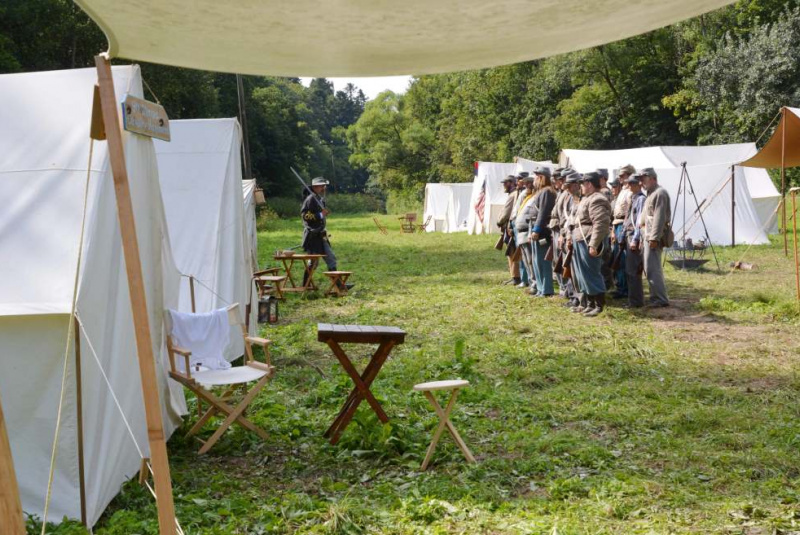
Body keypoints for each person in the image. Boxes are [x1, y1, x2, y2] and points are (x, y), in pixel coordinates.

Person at [571, 172, 612, 317]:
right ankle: (590, 303)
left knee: (592, 273)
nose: (581, 186)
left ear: (589, 184)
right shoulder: (586, 199)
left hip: (588, 238)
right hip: (580, 238)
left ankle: (599, 305)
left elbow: (601, 223)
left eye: (582, 183)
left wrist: (594, 244)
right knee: (583, 274)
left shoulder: (597, 199)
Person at [301, 177, 350, 288]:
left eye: (324, 186)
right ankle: (306, 285)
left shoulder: (319, 198)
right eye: (321, 186)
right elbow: (305, 216)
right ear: (314, 187)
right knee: (313, 262)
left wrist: (322, 214)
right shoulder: (310, 199)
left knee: (331, 258)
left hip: (321, 236)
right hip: (313, 236)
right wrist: (321, 215)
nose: (323, 188)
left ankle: (339, 285)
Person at [639, 167, 671, 307]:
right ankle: (655, 297)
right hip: (648, 235)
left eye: (644, 179)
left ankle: (660, 299)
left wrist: (654, 238)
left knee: (653, 268)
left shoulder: (660, 193)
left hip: (653, 237)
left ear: (653, 178)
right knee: (649, 267)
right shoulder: (651, 193)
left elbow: (659, 217)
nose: (642, 182)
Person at [528, 167, 557, 297]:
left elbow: (543, 212)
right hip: (535, 226)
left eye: (537, 176)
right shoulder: (541, 192)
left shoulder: (547, 192)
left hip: (542, 230)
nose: (535, 179)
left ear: (542, 177)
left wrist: (536, 229)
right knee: (536, 260)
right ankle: (540, 288)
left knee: (543, 260)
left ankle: (546, 289)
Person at [623, 173, 647, 308]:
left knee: (633, 270)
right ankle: (633, 299)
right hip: (628, 234)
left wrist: (635, 239)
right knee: (629, 270)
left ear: (638, 184)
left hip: (633, 236)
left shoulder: (641, 199)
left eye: (632, 183)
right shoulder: (633, 197)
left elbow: (639, 221)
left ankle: (636, 301)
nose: (629, 186)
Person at [609, 167, 633, 299]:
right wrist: (614, 230)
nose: (620, 178)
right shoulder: (623, 190)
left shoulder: (630, 191)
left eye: (623, 176)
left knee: (623, 259)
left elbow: (628, 213)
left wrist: (622, 230)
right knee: (617, 258)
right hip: (617, 224)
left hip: (623, 225)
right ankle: (620, 287)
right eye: (620, 176)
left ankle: (625, 289)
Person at [514, 175, 537, 293]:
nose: (526, 186)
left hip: (527, 231)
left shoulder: (534, 197)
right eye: (526, 184)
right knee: (526, 259)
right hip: (521, 231)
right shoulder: (527, 197)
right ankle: (531, 281)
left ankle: (534, 283)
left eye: (529, 183)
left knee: (530, 260)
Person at [497, 175, 520, 285]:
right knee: (510, 252)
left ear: (511, 183)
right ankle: (514, 275)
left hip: (510, 226)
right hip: (509, 226)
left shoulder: (513, 195)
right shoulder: (513, 194)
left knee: (512, 252)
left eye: (506, 183)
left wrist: (500, 221)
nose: (504, 185)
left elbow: (506, 212)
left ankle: (516, 276)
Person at [511, 173, 531, 288]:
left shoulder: (525, 193)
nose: (518, 181)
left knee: (523, 255)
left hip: (522, 226)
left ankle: (525, 279)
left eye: (520, 179)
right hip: (516, 223)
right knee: (521, 253)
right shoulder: (522, 193)